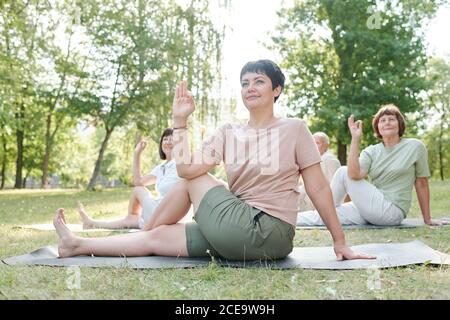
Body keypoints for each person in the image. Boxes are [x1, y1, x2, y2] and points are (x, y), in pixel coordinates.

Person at [53, 59, 374, 261]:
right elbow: (184, 167)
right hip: (236, 232)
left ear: (276, 89)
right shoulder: (228, 131)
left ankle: (144, 224)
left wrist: (340, 242)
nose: (250, 87)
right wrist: (180, 122)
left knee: (195, 181)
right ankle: (75, 244)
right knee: (157, 238)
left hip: (270, 231)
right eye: (245, 83)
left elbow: (317, 187)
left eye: (259, 81)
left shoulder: (294, 129)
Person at [298, 104, 449, 226]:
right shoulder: (371, 151)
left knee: (343, 172)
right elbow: (356, 175)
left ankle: (326, 207)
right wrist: (355, 139)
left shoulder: (415, 146)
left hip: (391, 211)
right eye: (382, 120)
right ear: (378, 128)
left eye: (392, 119)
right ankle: (284, 219)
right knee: (322, 217)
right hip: (371, 208)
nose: (387, 122)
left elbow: (421, 183)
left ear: (400, 124)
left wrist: (427, 219)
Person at [79, 128, 180, 230]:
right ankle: (92, 223)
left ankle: (133, 218)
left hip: (165, 214)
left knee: (138, 190)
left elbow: (138, 186)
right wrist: (137, 153)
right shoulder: (161, 168)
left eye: (172, 139)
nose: (168, 142)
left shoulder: (180, 165)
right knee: (128, 220)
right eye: (165, 139)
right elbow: (138, 182)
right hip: (157, 211)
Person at [298, 132, 341, 211]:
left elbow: (335, 187)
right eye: (312, 143)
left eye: (317, 143)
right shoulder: (313, 160)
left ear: (326, 146)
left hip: (323, 203)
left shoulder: (330, 160)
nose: (314, 146)